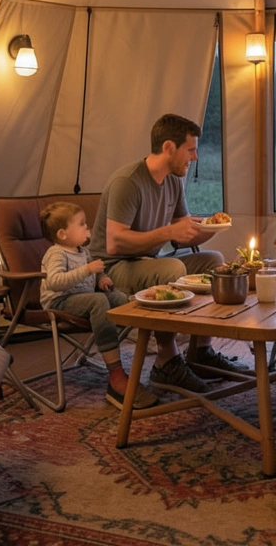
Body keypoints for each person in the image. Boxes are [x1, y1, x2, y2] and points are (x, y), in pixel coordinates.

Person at [91, 113, 245, 393]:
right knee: (171, 269)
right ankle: (167, 361)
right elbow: (114, 244)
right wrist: (167, 234)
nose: (194, 157)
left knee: (214, 262)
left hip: (150, 261)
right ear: (169, 148)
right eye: (191, 149)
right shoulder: (128, 181)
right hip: (112, 268)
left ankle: (200, 352)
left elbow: (184, 234)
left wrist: (215, 225)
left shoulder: (173, 180)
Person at [39, 202, 158, 410]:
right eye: (82, 224)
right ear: (62, 234)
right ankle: (116, 373)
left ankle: (142, 337)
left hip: (82, 299)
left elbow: (95, 272)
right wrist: (87, 270)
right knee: (98, 301)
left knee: (118, 297)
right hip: (59, 302)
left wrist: (101, 278)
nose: (88, 227)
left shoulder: (83, 251)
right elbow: (54, 282)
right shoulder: (57, 253)